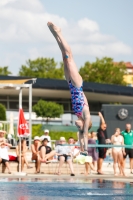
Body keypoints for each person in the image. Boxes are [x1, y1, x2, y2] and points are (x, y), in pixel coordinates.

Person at [47, 22, 92, 154]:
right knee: (69, 56)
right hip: (77, 85)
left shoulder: (78, 114)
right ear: (84, 125)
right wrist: (85, 149)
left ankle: (56, 35)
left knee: (64, 56)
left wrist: (80, 146)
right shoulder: (86, 115)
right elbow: (84, 135)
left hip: (70, 84)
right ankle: (59, 32)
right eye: (79, 127)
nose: (76, 126)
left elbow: (80, 136)